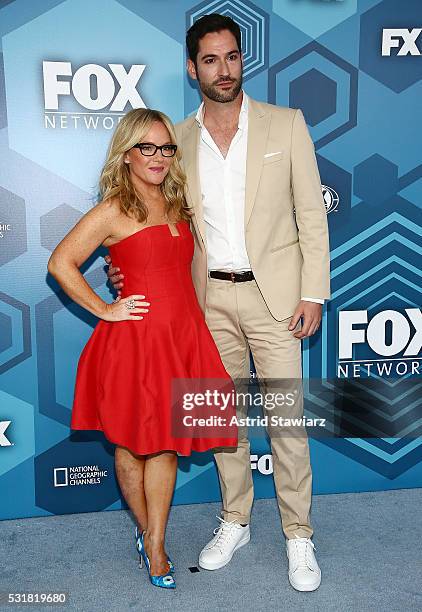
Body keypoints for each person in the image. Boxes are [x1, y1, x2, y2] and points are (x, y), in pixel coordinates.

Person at [107, 13, 331, 592]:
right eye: (210, 59)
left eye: (231, 56)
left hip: (277, 298)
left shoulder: (286, 125)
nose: (223, 68)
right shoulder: (173, 139)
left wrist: (314, 292)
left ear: (242, 60)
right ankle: (235, 519)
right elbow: (150, 218)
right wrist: (121, 265)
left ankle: (298, 534)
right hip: (204, 303)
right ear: (192, 68)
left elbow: (311, 212)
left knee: (285, 422)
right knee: (220, 420)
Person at [47, 107, 237, 590]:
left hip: (183, 337)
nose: (157, 157)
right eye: (146, 147)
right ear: (127, 154)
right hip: (136, 342)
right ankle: (151, 541)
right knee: (135, 443)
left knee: (167, 444)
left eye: (165, 147)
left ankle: (153, 537)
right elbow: (61, 262)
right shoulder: (114, 208)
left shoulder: (178, 201)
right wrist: (105, 309)